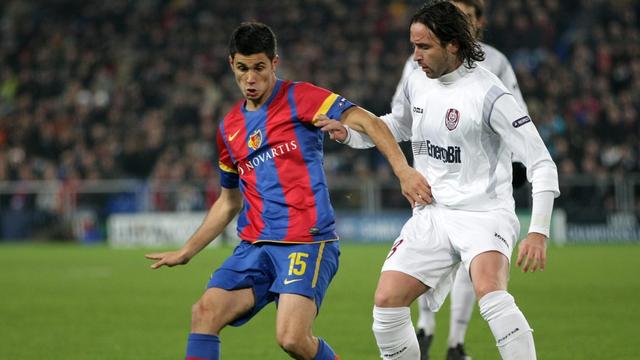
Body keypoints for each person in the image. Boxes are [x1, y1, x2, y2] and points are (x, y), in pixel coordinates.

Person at [145, 21, 429, 360]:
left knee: (292, 338)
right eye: (242, 69)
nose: (251, 78)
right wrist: (187, 251)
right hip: (255, 245)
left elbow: (369, 122)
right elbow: (228, 201)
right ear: (231, 64)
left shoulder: (301, 97)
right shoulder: (228, 129)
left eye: (259, 68)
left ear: (274, 64)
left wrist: (402, 170)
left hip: (306, 241)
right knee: (204, 313)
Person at [315, 2, 559, 359]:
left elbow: (542, 164)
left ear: (453, 45)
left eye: (424, 46)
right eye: (413, 46)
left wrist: (538, 231)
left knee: (491, 293)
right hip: (432, 211)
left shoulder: (490, 94)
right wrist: (350, 134)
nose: (415, 56)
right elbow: (397, 124)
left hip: (484, 212)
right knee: (386, 303)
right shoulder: (418, 81)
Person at [387, 1, 531, 359]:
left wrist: (517, 166)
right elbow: (399, 119)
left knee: (480, 278)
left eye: (466, 16)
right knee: (404, 281)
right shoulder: (416, 68)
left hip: (480, 199)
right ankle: (426, 328)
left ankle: (455, 340)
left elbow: (519, 119)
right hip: (435, 196)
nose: (417, 54)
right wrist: (358, 130)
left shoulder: (494, 67)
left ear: (476, 23)